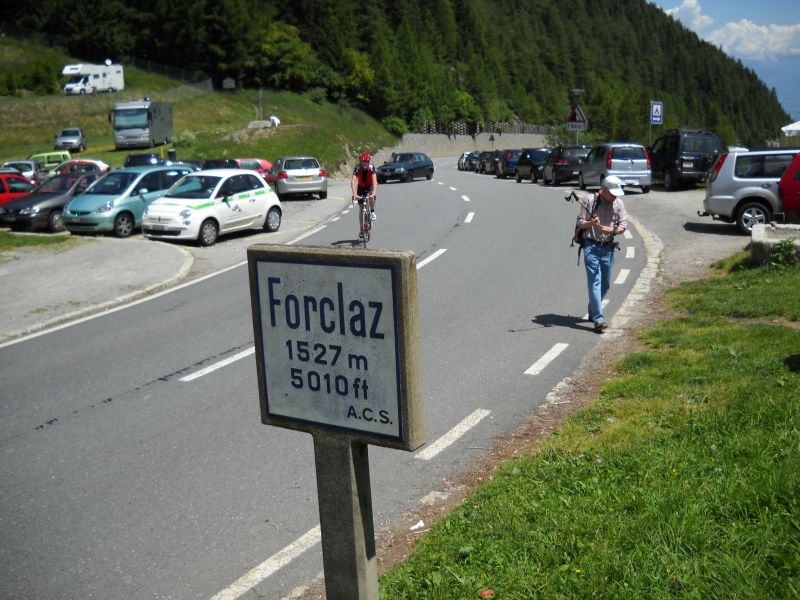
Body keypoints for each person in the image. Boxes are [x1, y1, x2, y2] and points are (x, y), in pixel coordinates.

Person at [575, 175, 628, 332]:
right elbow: (580, 222)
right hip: (591, 246)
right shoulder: (590, 200)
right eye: (612, 193)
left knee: (605, 284)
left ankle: (592, 308)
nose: (615, 197)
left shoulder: (618, 203)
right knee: (595, 282)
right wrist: (591, 223)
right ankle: (598, 319)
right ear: (603, 190)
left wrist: (612, 230)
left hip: (608, 248)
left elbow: (623, 225)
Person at [351, 152, 379, 229]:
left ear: (369, 162)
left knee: (371, 195)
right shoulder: (357, 168)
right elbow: (353, 182)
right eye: (363, 161)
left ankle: (372, 211)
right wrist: (355, 194)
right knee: (361, 208)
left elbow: (374, 181)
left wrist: (374, 193)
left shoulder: (371, 167)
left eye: (366, 161)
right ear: (360, 161)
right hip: (361, 187)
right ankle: (361, 228)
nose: (365, 163)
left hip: (369, 185)